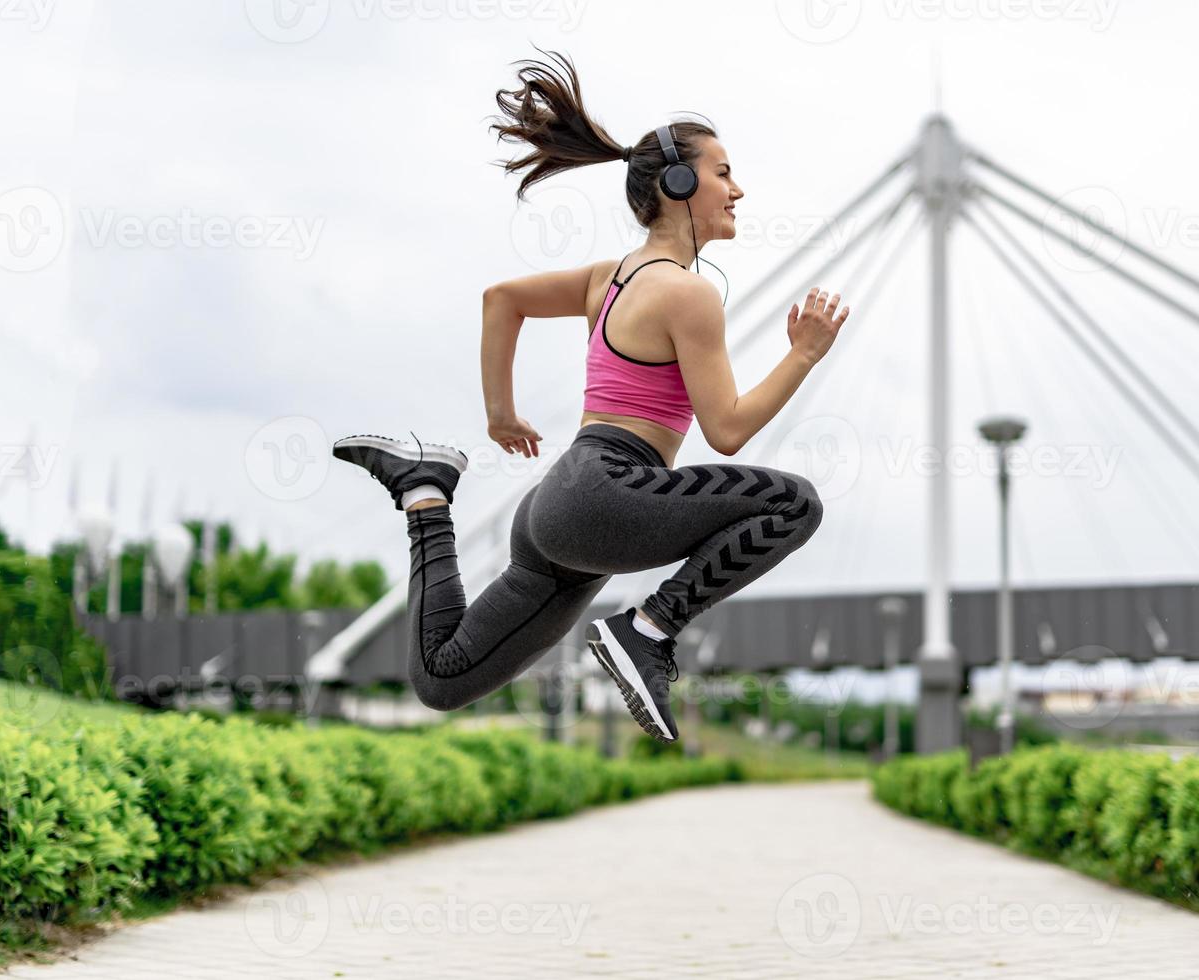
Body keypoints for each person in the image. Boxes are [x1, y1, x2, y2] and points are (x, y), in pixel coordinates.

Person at [331, 47, 851, 742]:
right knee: (795, 504)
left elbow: (501, 300)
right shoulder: (687, 293)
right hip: (607, 495)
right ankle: (650, 632)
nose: (738, 190)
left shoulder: (608, 276)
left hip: (560, 510)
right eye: (723, 173)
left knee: (443, 676)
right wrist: (804, 354)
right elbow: (726, 430)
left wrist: (500, 414)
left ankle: (425, 493)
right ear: (674, 182)